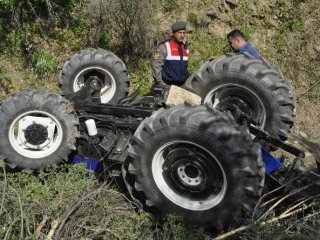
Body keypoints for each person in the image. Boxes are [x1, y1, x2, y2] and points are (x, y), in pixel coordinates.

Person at [152, 20, 189, 88]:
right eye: (179, 33)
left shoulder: (185, 48)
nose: (182, 35)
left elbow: (185, 68)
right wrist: (161, 84)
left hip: (182, 86)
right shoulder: (164, 46)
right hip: (167, 86)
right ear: (173, 33)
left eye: (184, 33)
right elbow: (156, 66)